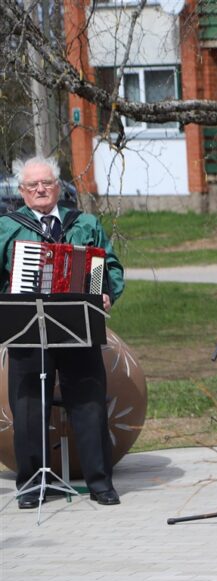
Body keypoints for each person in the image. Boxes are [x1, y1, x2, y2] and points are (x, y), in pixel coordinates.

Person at [0, 156, 125, 508]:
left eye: (47, 183)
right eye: (32, 185)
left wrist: (106, 291)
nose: (40, 189)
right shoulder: (8, 228)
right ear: (22, 193)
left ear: (58, 187)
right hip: (26, 328)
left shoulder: (84, 224)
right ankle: (31, 485)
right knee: (27, 407)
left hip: (78, 326)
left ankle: (100, 482)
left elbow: (108, 265)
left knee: (88, 403)